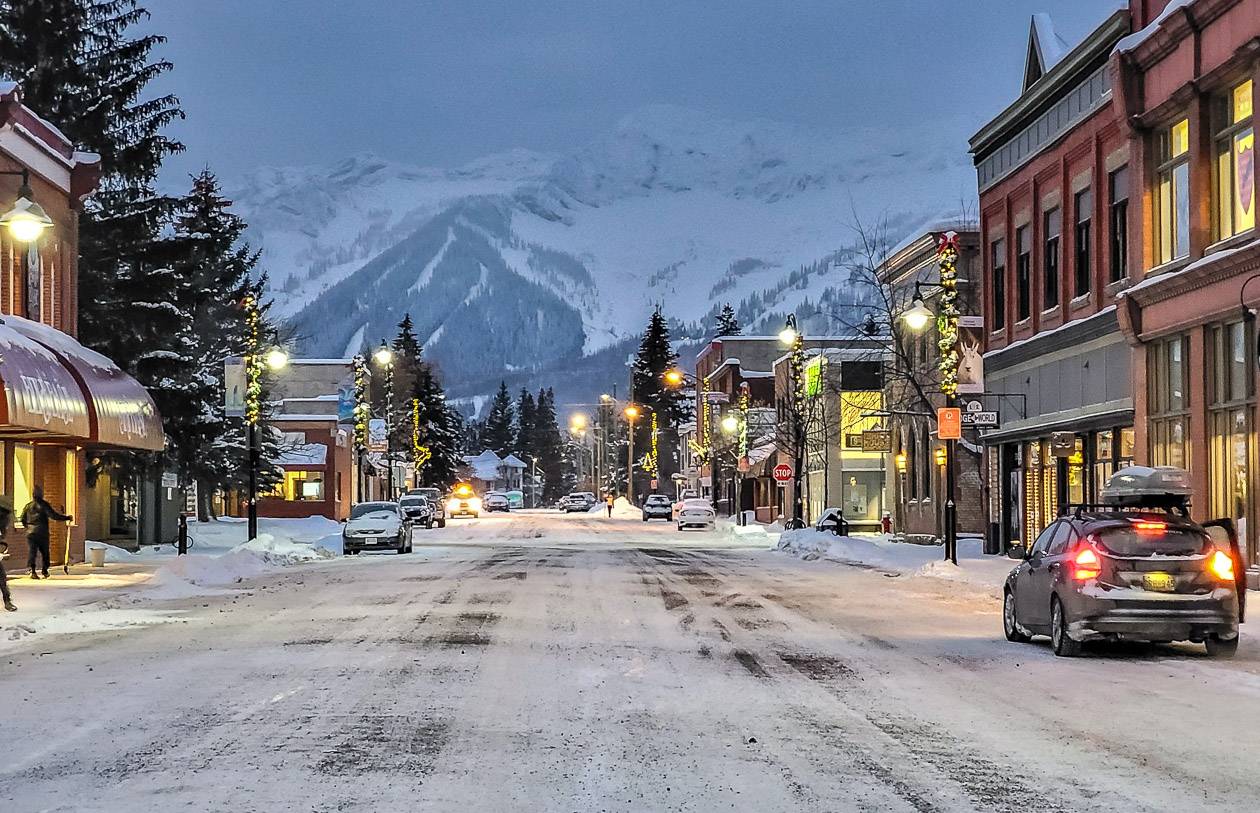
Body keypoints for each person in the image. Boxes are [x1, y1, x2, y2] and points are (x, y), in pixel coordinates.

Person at [22, 485, 71, 580]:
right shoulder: (44, 505)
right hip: (42, 533)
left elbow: (22, 519)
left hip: (30, 533)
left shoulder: (28, 506)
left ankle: (32, 571)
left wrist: (28, 527)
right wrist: (66, 518)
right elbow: (53, 515)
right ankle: (45, 570)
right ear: (41, 495)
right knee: (45, 552)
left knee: (32, 552)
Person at [0, 495, 15, 611]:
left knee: (1, 576)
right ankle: (7, 601)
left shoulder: (4, 517)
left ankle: (7, 601)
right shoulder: (3, 517)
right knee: (1, 577)